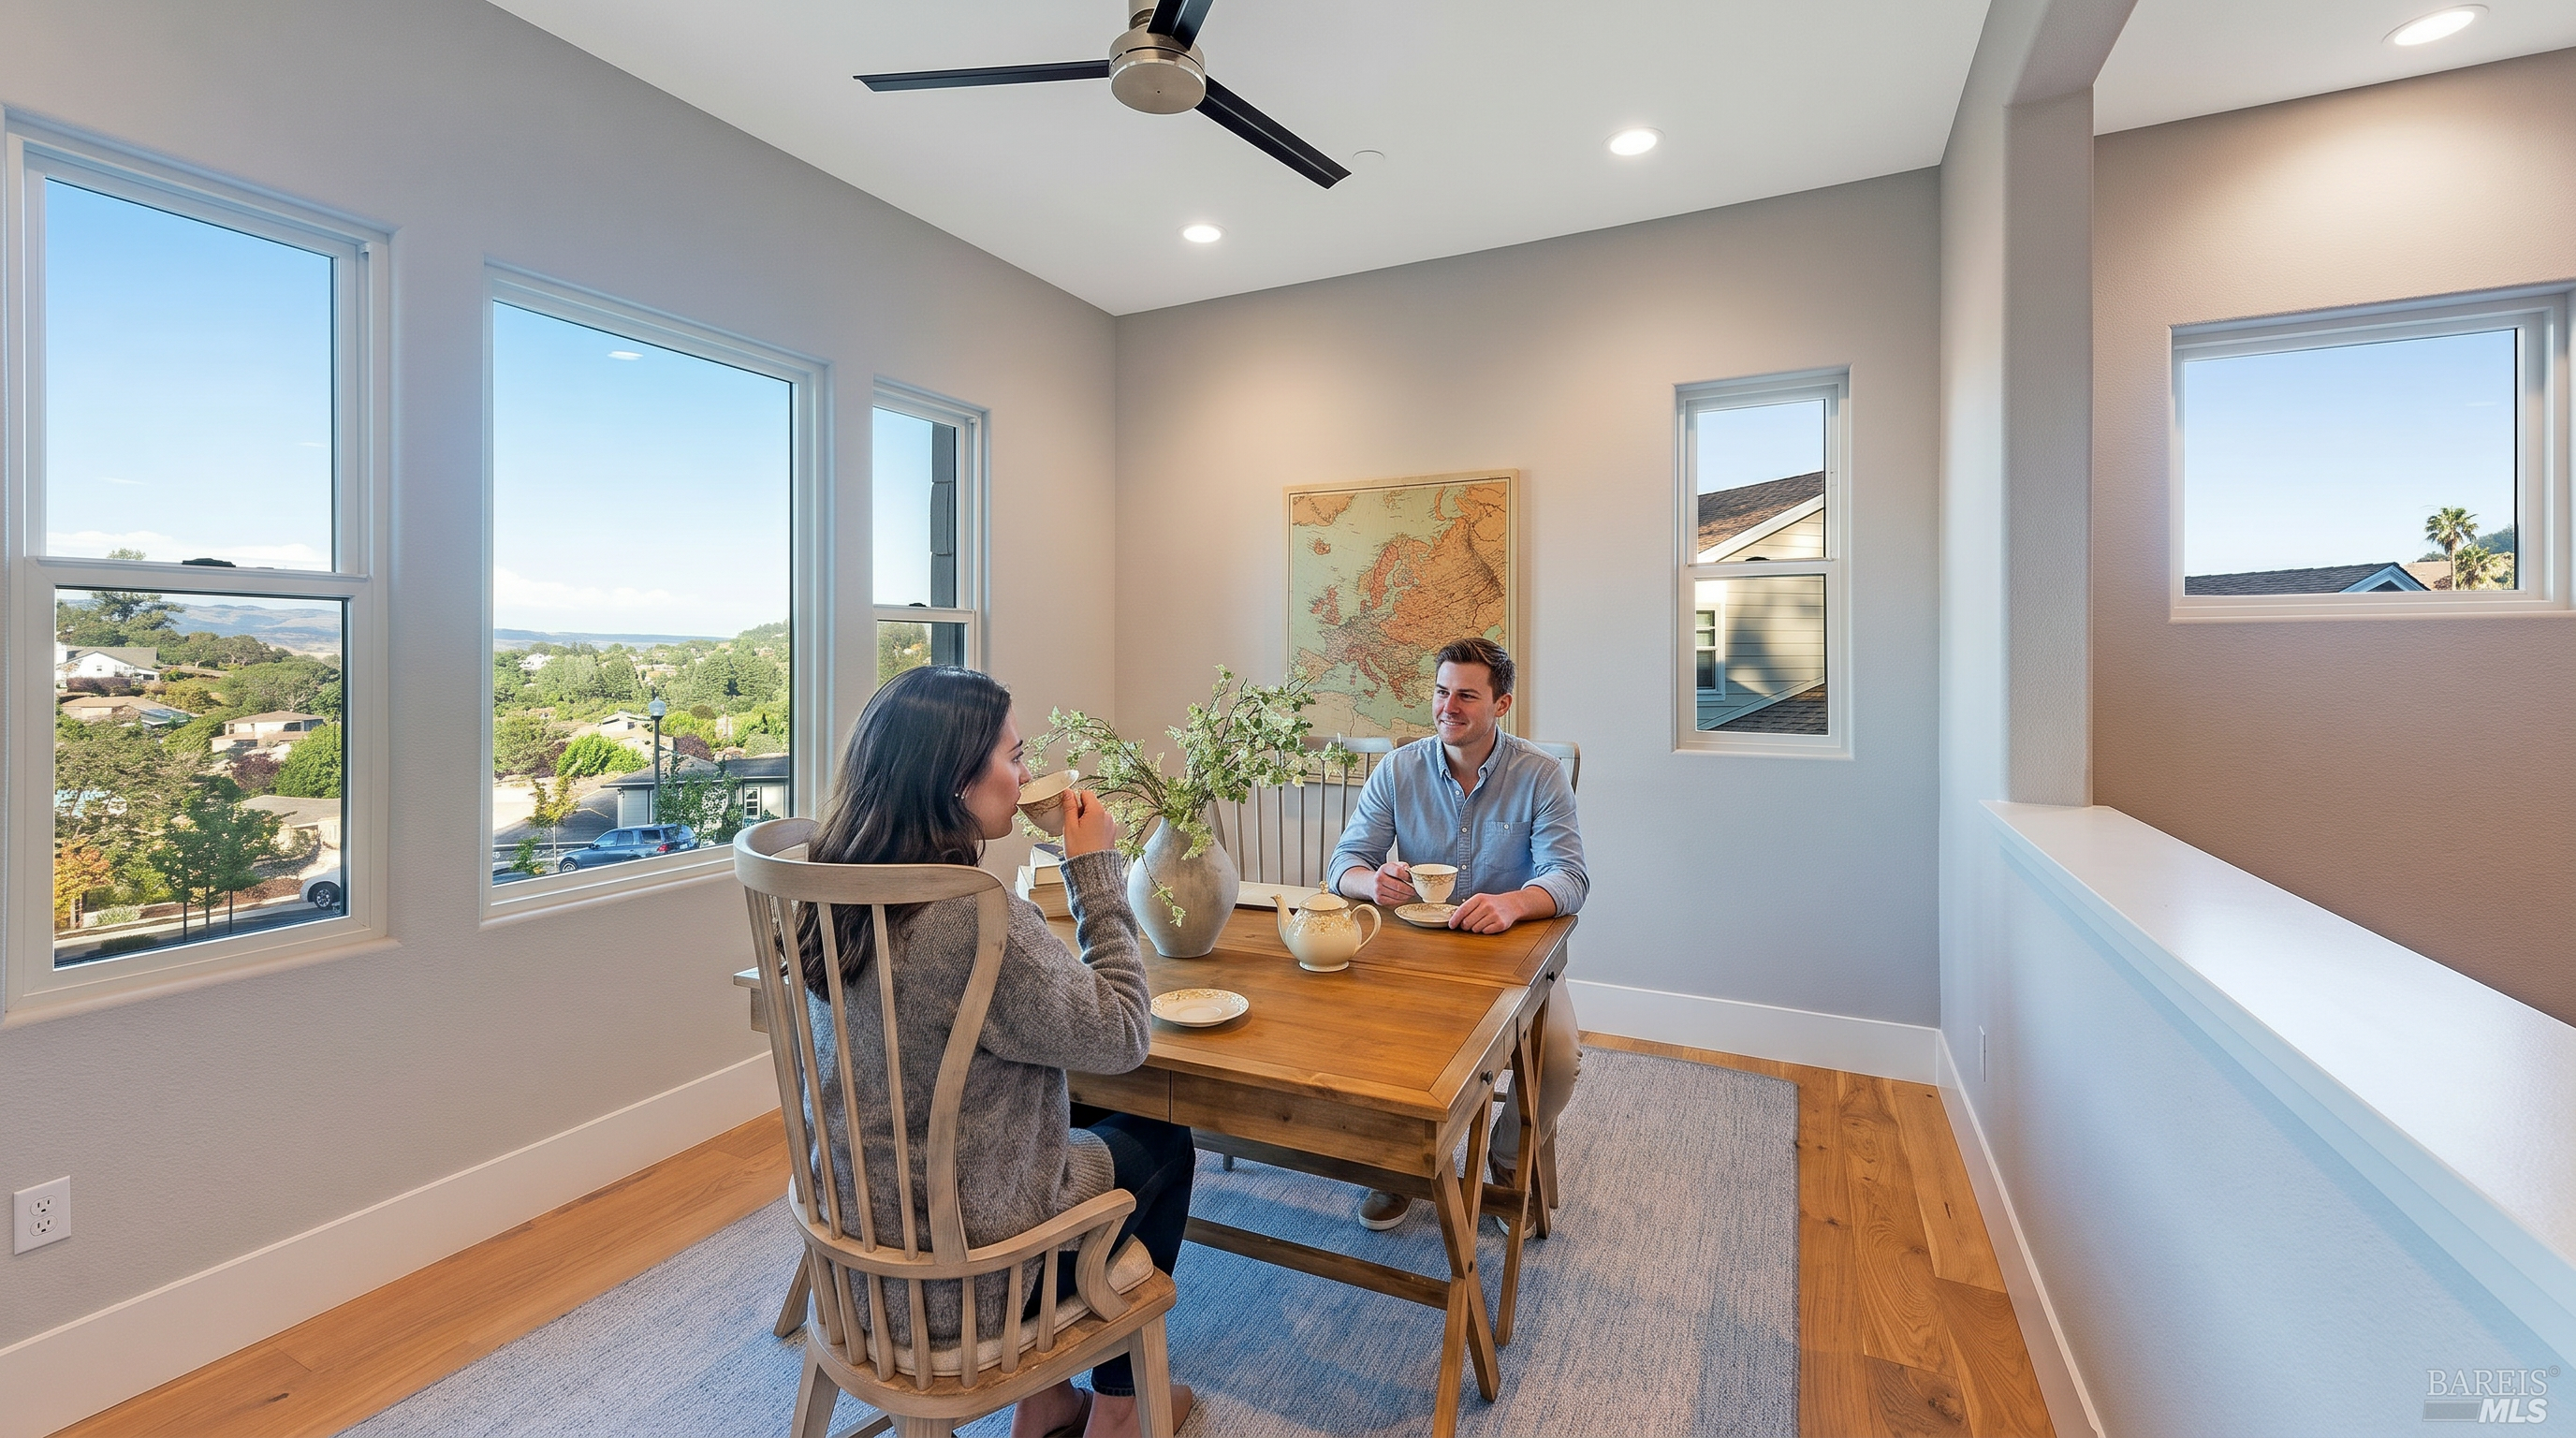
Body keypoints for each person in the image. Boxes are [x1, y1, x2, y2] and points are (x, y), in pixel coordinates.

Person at [800, 666, 1193, 1438]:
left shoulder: (825, 889)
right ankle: (1118, 1411)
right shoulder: (976, 918)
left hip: (857, 1255)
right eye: (1013, 757)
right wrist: (1094, 872)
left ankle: (1047, 1404)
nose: (1023, 774)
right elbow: (1122, 1032)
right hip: (967, 1278)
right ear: (956, 782)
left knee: (1088, 1103)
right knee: (1165, 1138)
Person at [1327, 637, 1587, 1231]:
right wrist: (1375, 884)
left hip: (1512, 959)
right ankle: (1392, 1168)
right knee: (1355, 1042)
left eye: (1467, 695)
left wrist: (1515, 903)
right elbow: (1344, 864)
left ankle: (1507, 1158)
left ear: (1502, 703)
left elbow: (1570, 878)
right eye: (1442, 692)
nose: (1449, 707)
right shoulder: (1399, 769)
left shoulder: (1540, 775)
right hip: (1412, 955)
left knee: (1559, 1060)